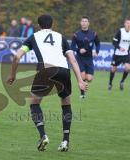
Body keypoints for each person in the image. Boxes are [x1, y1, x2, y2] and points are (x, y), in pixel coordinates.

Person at [7, 14, 87, 152]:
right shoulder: (60, 37)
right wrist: (80, 80)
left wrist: (13, 75)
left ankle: (43, 135)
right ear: (52, 25)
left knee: (34, 103)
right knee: (66, 102)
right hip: (63, 70)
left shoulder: (34, 37)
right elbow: (72, 60)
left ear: (38, 26)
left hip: (46, 70)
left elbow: (17, 57)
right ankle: (65, 141)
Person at [71, 16, 100, 98]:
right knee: (83, 76)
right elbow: (72, 46)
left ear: (88, 23)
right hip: (80, 58)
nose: (84, 22)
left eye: (86, 21)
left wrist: (96, 51)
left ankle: (84, 84)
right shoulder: (76, 34)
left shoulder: (93, 34)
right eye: (82, 21)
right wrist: (78, 50)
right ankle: (82, 94)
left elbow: (98, 44)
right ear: (80, 23)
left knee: (89, 78)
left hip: (89, 58)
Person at [108, 19, 130, 90]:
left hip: (126, 54)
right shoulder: (120, 31)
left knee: (128, 67)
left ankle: (122, 82)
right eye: (127, 23)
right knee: (113, 69)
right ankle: (110, 83)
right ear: (124, 24)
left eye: (129, 23)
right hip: (117, 54)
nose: (129, 25)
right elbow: (114, 42)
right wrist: (119, 48)